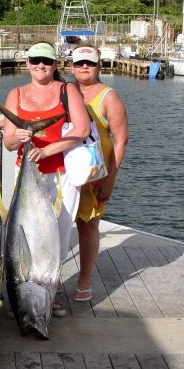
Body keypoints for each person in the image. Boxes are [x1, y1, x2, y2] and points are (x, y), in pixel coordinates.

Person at [2, 42, 90, 315]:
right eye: (36, 59)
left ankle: (48, 291)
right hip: (26, 174)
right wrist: (18, 137)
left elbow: (83, 128)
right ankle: (29, 287)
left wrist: (48, 149)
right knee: (25, 236)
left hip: (61, 176)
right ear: (27, 63)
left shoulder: (68, 90)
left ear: (55, 65)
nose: (41, 65)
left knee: (57, 236)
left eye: (47, 61)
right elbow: (7, 142)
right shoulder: (15, 94)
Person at [70, 46, 128, 302]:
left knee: (88, 226)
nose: (84, 67)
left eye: (90, 64)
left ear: (99, 66)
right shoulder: (65, 90)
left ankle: (84, 278)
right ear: (71, 66)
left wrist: (111, 178)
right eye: (80, 63)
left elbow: (121, 140)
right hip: (64, 170)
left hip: (94, 174)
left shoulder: (109, 96)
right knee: (55, 226)